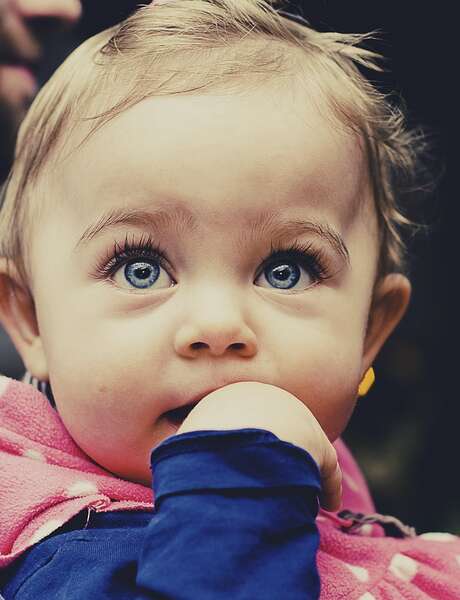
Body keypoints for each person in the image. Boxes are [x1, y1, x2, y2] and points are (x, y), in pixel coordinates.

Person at [0, 0, 458, 598]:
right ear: (31, 320)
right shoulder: (61, 549)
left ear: (370, 331)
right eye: (141, 269)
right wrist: (239, 477)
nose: (218, 325)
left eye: (286, 270)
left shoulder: (315, 470)